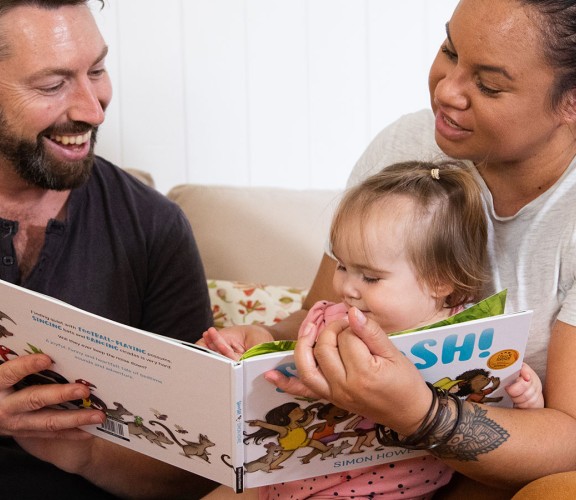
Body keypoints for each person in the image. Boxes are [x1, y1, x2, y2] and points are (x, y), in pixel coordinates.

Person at [203, 0, 576, 495]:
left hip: (514, 472)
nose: (446, 91)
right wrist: (264, 340)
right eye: (449, 49)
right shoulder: (410, 145)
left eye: (488, 84)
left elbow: (568, 440)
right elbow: (323, 308)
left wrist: (417, 412)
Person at [204, 161, 543, 499]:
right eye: (342, 265)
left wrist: (527, 399)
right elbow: (287, 380)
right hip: (286, 481)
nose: (347, 287)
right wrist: (267, 361)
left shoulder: (473, 332)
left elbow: (492, 418)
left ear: (439, 280)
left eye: (369, 276)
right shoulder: (328, 320)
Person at [0, 1, 217, 498]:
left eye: (97, 70)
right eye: (52, 85)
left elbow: (193, 473)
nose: (93, 109)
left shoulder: (153, 227)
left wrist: (84, 451)